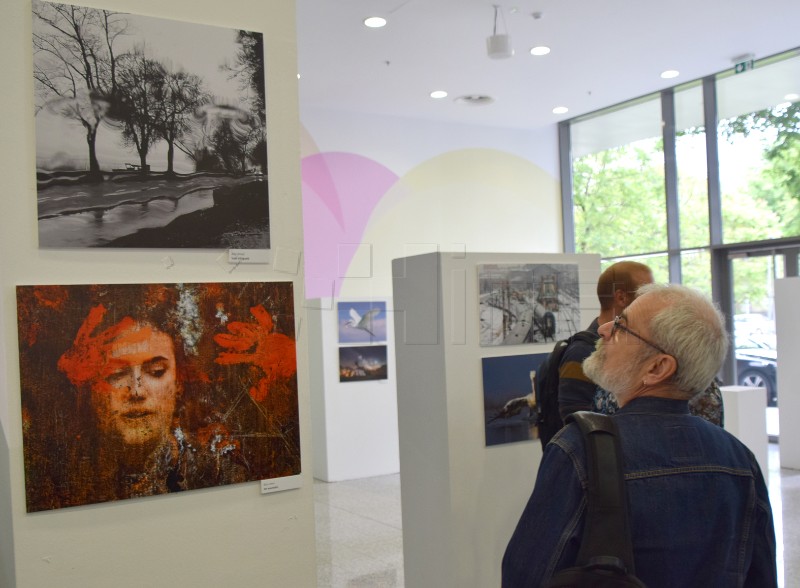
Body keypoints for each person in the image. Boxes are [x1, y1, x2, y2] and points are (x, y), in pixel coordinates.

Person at [502, 284, 777, 587]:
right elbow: (761, 577)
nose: (604, 328)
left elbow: (525, 574)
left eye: (622, 326)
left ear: (658, 367)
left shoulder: (579, 450)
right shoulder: (739, 459)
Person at [557, 261, 653, 419]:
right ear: (621, 297)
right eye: (646, 293)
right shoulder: (581, 352)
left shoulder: (637, 344)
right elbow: (576, 424)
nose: (652, 300)